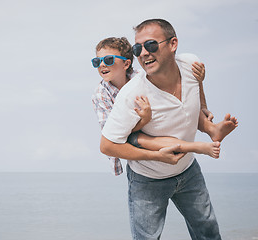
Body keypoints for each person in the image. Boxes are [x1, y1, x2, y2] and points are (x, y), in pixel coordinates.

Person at [100, 19, 238, 239]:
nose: (144, 53)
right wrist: (156, 156)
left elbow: (195, 89)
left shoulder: (192, 64)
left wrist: (204, 110)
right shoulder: (131, 95)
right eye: (138, 48)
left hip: (188, 171)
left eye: (151, 45)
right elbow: (107, 146)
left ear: (173, 44)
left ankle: (210, 132)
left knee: (209, 233)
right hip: (147, 180)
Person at [91, 37, 236, 175]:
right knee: (139, 138)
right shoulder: (101, 95)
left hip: (156, 121)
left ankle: (212, 129)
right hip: (132, 135)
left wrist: (201, 91)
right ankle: (196, 147)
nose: (102, 64)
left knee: (176, 100)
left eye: (108, 60)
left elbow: (174, 90)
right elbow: (114, 134)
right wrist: (144, 120)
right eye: (97, 61)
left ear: (127, 64)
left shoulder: (142, 77)